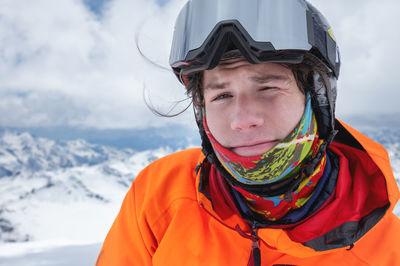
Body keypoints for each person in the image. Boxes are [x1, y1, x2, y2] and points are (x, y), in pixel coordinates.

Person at [96, 0, 400, 265]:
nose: (242, 120)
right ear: (202, 111)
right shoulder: (162, 195)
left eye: (267, 88)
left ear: (317, 97)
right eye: (221, 96)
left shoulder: (388, 251)